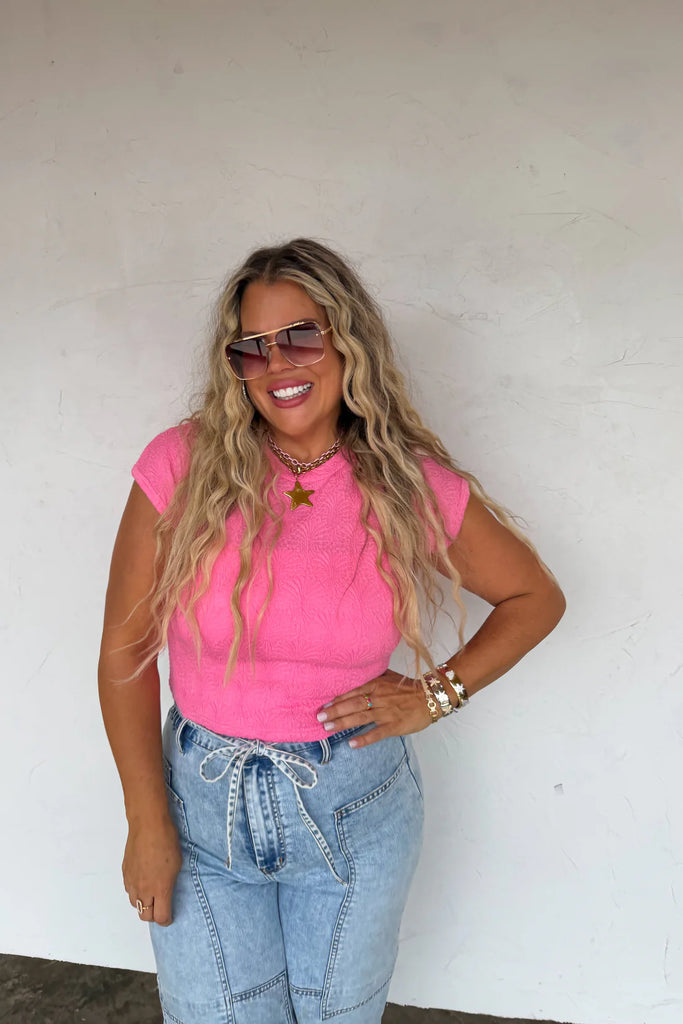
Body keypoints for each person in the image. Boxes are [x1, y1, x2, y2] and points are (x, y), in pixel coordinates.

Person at [98, 237, 566, 1024]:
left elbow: (534, 597)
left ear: (348, 340)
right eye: (252, 347)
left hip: (354, 810)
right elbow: (124, 653)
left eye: (300, 336)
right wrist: (145, 820)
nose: (277, 364)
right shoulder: (182, 465)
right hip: (200, 811)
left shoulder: (406, 484)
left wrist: (437, 693)